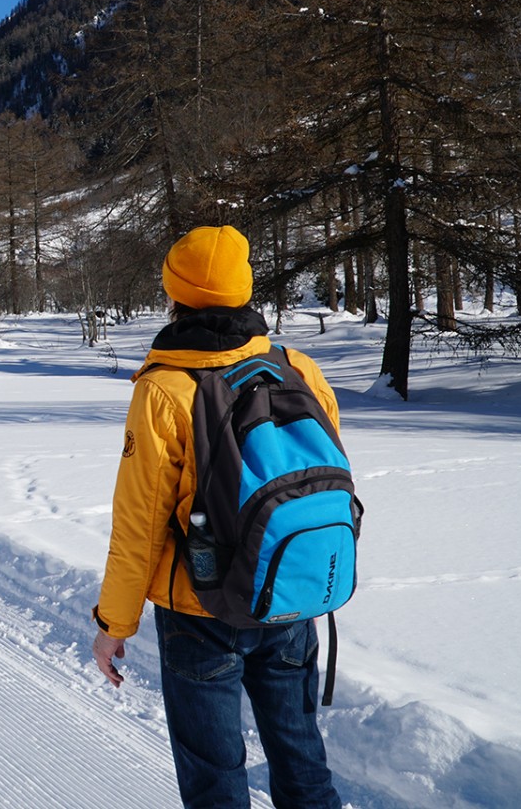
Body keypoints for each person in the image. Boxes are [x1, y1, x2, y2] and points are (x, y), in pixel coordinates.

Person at [91, 225, 343, 809]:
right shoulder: (298, 368)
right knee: (302, 758)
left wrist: (114, 624)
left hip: (198, 610)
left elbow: (139, 524)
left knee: (214, 777)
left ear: (175, 294)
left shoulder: (164, 390)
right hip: (287, 591)